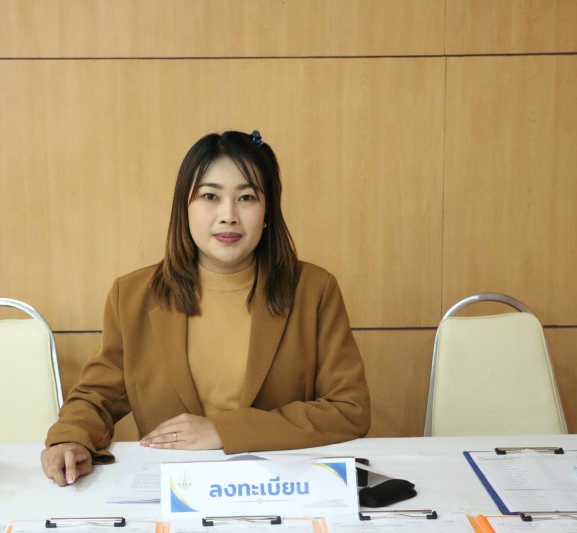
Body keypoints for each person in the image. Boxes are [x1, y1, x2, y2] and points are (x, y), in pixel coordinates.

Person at [41, 130, 370, 486]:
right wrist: (70, 438)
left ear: (267, 211)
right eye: (210, 196)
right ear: (184, 207)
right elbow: (96, 397)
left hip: (281, 487)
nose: (228, 216)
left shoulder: (314, 289)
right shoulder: (133, 295)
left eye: (246, 197)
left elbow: (348, 409)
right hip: (173, 489)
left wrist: (223, 430)